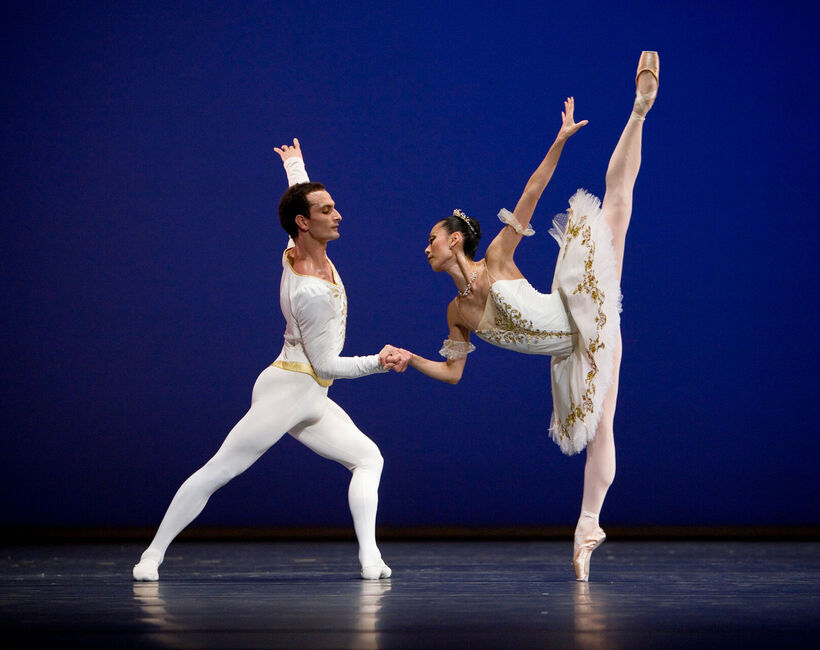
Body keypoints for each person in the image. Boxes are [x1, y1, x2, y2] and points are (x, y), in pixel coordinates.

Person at [402, 52, 659, 581]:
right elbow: (453, 372)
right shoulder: (456, 313)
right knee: (600, 428)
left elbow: (532, 193)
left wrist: (560, 141)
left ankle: (639, 110)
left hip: (579, 304)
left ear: (454, 240)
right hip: (573, 353)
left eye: (431, 239)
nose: (424, 248)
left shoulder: (496, 256)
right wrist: (412, 359)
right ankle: (589, 528)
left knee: (616, 206)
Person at [132, 141, 407, 582]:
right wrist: (378, 361)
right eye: (327, 210)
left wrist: (293, 164)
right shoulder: (310, 291)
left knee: (368, 458)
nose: (337, 215)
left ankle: (370, 558)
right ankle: (152, 554)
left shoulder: (299, 245)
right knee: (220, 470)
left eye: (334, 207)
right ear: (304, 223)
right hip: (291, 388)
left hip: (308, 391)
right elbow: (327, 366)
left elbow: (299, 197)